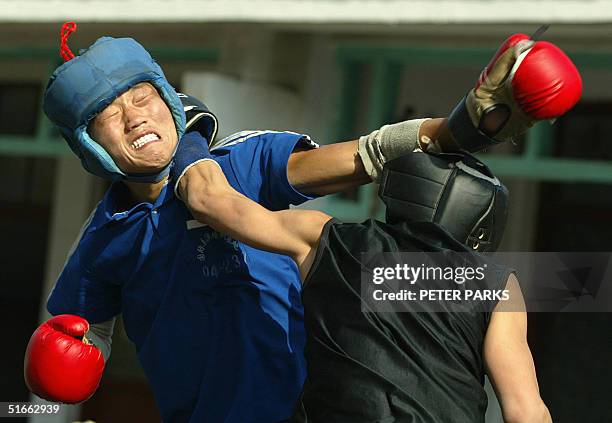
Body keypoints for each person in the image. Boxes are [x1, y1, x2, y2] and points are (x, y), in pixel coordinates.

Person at [24, 25, 578, 423]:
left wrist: (463, 127)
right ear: (90, 145)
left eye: (141, 97)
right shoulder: (102, 237)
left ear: (167, 99)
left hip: (309, 407)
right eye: (111, 115)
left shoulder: (242, 164)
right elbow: (78, 331)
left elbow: (364, 156)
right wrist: (58, 369)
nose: (135, 116)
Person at [170, 139, 552, 422]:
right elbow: (525, 411)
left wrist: (188, 139)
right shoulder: (496, 284)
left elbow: (209, 201)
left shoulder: (327, 239)